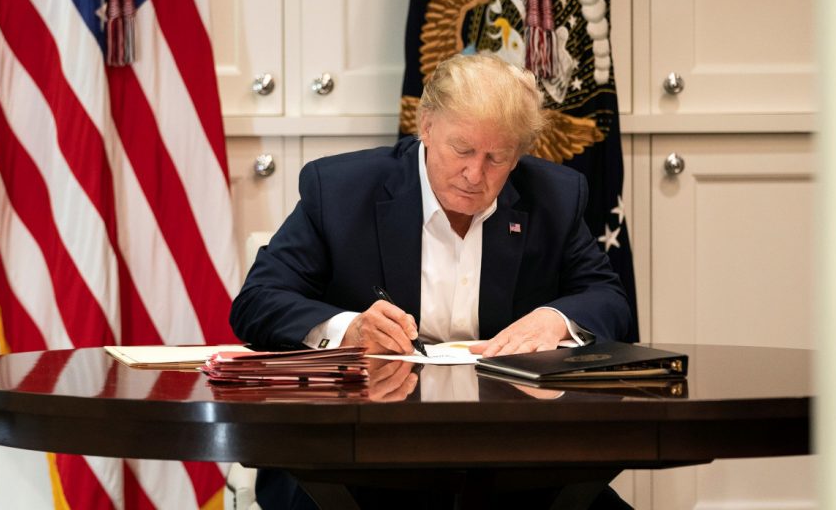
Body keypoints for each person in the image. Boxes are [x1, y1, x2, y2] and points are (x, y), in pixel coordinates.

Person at [230, 53, 633, 509]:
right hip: (358, 456)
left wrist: (556, 319)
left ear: (518, 155)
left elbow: (608, 298)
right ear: (425, 126)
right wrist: (349, 329)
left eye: (497, 158)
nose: (475, 175)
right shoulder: (340, 189)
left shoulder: (555, 197)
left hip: (513, 457)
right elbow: (257, 302)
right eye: (461, 150)